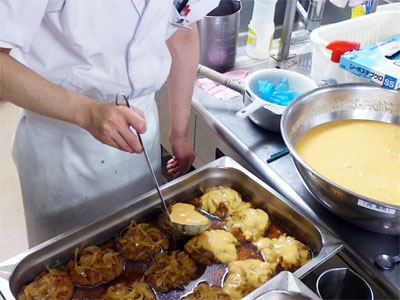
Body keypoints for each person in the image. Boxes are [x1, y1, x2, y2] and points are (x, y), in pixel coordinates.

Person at [0, 0, 218, 247]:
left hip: (140, 134)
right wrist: (86, 112)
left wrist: (179, 132)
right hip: (65, 146)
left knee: (142, 248)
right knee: (68, 266)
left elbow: (182, 30)